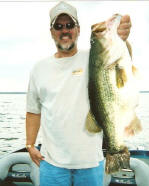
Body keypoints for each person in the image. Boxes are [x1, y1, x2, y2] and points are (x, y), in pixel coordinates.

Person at [26, 1, 132, 186]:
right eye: (58, 26)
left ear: (78, 29)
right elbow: (33, 110)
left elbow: (121, 59)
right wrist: (30, 145)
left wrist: (122, 39)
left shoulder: (94, 57)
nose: (64, 30)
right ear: (51, 32)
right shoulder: (38, 69)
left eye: (69, 25)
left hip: (91, 162)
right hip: (51, 163)